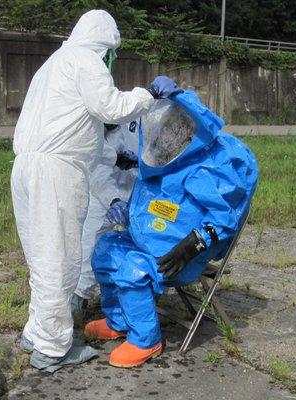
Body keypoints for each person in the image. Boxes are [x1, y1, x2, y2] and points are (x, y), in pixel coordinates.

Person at [10, 8, 181, 372]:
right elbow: (109, 107)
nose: (111, 61)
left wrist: (113, 156)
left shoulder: (53, 64)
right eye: (112, 54)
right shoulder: (87, 61)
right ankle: (54, 349)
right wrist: (147, 95)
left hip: (26, 167)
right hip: (57, 172)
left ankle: (37, 332)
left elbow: (72, 125)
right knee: (60, 259)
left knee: (41, 257)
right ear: (105, 44)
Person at [84, 90, 259, 368]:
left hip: (180, 256)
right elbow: (156, 204)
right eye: (164, 129)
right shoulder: (165, 162)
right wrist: (127, 208)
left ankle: (146, 340)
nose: (165, 136)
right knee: (105, 251)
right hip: (150, 240)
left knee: (133, 268)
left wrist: (192, 245)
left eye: (172, 131)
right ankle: (119, 320)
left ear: (189, 135)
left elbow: (224, 218)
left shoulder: (202, 170)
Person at [73, 122, 140, 312]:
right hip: (105, 194)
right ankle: (78, 297)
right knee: (89, 244)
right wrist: (113, 200)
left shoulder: (136, 115)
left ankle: (136, 294)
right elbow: (95, 170)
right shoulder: (89, 129)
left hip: (139, 189)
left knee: (142, 242)